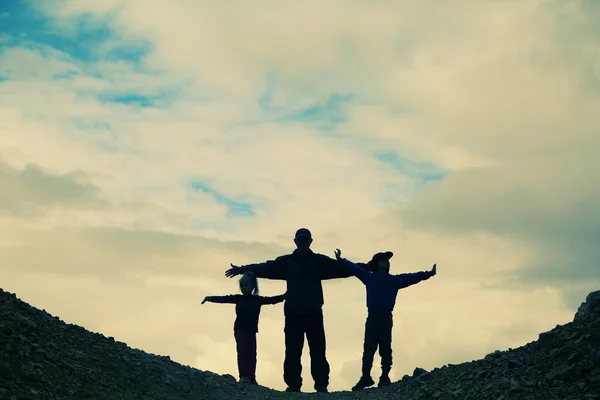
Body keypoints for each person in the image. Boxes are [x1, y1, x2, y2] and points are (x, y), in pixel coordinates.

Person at [224, 228, 354, 393]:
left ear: (310, 241)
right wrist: (242, 269)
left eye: (305, 240)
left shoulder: (319, 262)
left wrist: (370, 267)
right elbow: (266, 267)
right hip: (293, 314)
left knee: (318, 350)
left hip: (313, 313)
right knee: (292, 352)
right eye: (300, 240)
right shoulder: (286, 263)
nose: (302, 243)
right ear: (295, 241)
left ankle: (321, 384)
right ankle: (293, 385)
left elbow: (342, 269)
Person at [334, 248, 437, 391]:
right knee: (369, 349)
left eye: (387, 261)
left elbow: (411, 277)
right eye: (384, 260)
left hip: (385, 318)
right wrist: (341, 259)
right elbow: (355, 269)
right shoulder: (370, 277)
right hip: (373, 318)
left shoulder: (393, 280)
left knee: (385, 348)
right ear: (377, 263)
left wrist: (428, 274)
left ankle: (384, 376)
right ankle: (366, 377)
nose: (387, 263)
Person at [202, 271, 286, 385]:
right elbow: (223, 299)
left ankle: (251, 376)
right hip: (240, 329)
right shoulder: (238, 298)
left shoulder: (258, 300)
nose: (243, 288)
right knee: (242, 352)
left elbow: (272, 300)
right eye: (242, 285)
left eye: (246, 285)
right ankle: (243, 376)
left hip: (251, 331)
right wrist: (209, 298)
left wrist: (286, 296)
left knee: (252, 353)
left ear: (252, 286)